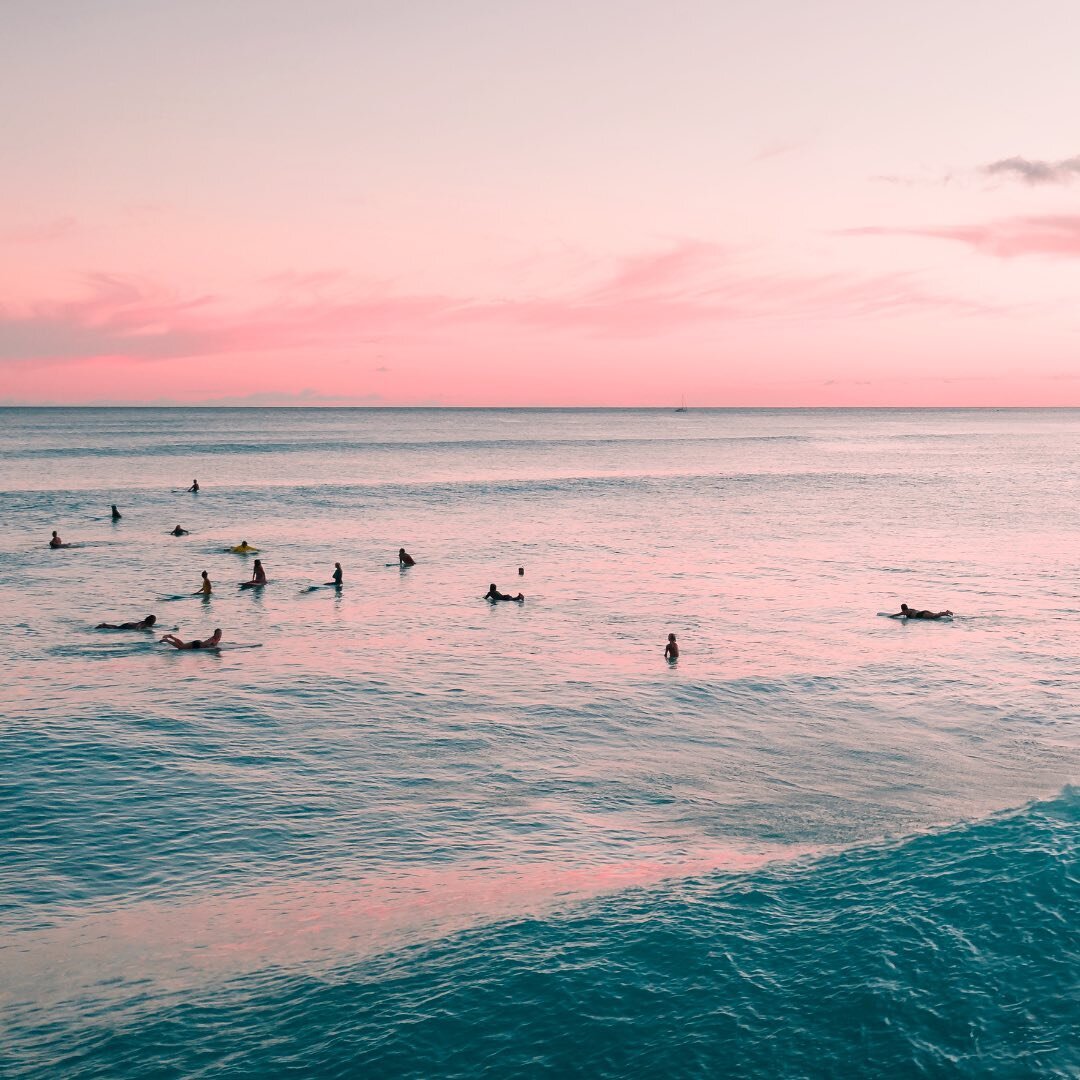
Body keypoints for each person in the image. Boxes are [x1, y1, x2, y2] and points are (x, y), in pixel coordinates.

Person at [888, 603, 953, 620]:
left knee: (935, 616)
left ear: (902, 609)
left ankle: (946, 612)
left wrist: (888, 617)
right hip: (923, 612)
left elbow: (897, 615)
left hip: (922, 614)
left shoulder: (905, 611)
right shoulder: (910, 609)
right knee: (935, 615)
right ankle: (946, 613)